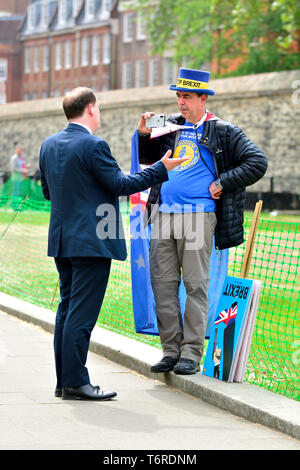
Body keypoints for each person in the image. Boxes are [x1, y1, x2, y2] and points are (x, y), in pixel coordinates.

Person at [39, 87, 187, 401]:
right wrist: (161, 169)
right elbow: (120, 184)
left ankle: (64, 381)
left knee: (66, 311)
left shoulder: (48, 145)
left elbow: (48, 193)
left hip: (62, 240)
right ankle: (77, 383)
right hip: (91, 242)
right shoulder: (94, 145)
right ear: (91, 108)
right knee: (80, 316)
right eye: (99, 107)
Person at [137, 68, 268, 375]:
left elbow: (257, 162)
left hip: (198, 215)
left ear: (202, 98)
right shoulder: (168, 125)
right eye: (178, 96)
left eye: (187, 97)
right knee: (163, 284)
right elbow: (147, 159)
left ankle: (191, 353)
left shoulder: (223, 130)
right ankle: (170, 350)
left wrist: (224, 182)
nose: (180, 103)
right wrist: (144, 133)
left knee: (196, 285)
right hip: (163, 214)